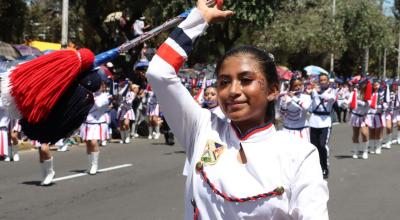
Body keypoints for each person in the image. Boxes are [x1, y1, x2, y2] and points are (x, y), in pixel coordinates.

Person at [146, 1, 328, 219]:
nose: (233, 91)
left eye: (246, 80)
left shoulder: (298, 155)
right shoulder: (202, 130)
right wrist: (198, 19)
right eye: (223, 82)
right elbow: (159, 73)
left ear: (272, 90)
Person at [309, 73, 336, 179]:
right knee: (314, 146)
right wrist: (312, 91)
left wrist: (318, 92)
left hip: (325, 121)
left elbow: (330, 99)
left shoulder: (332, 90)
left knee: (322, 145)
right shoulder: (313, 90)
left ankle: (325, 167)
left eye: (325, 80)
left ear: (328, 81)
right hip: (314, 120)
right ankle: (316, 167)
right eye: (321, 80)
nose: (323, 82)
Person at [80, 82, 110, 175]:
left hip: (98, 122)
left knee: (93, 142)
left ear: (104, 86)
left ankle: (94, 165)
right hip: (87, 122)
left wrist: (89, 96)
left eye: (100, 86)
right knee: (88, 143)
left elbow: (98, 105)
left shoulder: (106, 96)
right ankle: (90, 164)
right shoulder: (89, 95)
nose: (98, 88)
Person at [279, 76, 312, 141]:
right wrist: (283, 102)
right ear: (291, 87)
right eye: (295, 85)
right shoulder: (285, 97)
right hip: (288, 130)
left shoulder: (307, 97)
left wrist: (294, 98)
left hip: (303, 130)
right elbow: (281, 114)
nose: (298, 87)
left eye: (300, 85)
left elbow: (306, 108)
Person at [347, 77, 370, 159]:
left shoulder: (368, 93)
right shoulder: (354, 92)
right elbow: (349, 102)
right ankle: (356, 151)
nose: (363, 85)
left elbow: (370, 105)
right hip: (355, 115)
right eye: (362, 83)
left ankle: (365, 151)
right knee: (355, 134)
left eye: (365, 84)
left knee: (364, 133)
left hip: (363, 116)